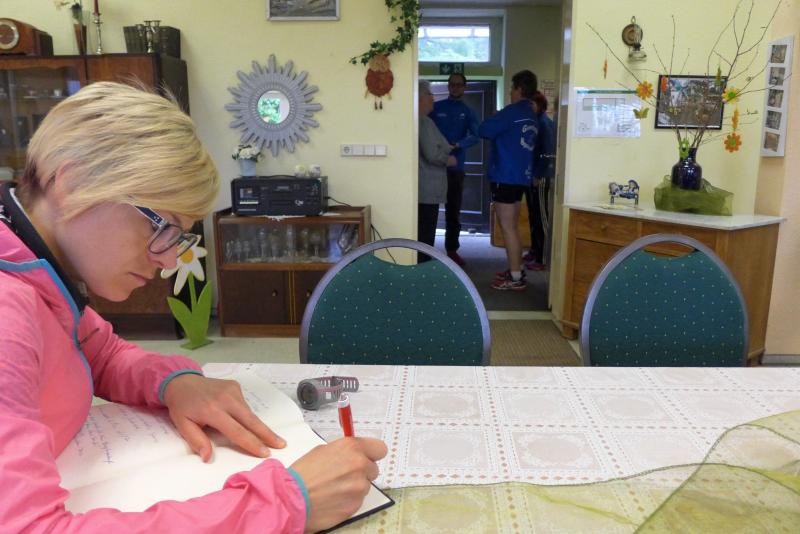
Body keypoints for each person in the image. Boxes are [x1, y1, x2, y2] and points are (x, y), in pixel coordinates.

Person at [0, 82, 387, 533]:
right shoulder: (8, 310)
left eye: (178, 237)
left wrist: (174, 383)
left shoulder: (37, 271)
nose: (169, 261)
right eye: (161, 227)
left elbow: (99, 353)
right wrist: (283, 504)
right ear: (73, 184)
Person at [479, 70, 539, 291]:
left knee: (507, 227)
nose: (510, 92)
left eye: (512, 88)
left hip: (505, 175)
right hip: (521, 176)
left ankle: (515, 278)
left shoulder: (511, 112)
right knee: (512, 225)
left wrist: (495, 117)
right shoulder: (531, 114)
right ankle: (517, 269)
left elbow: (483, 130)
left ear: (519, 89)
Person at [429, 72, 480, 267]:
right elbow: (424, 129)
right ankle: (427, 250)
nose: (455, 87)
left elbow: (476, 135)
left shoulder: (468, 111)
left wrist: (459, 144)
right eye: (452, 84)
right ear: (448, 86)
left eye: (459, 85)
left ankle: (452, 250)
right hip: (434, 166)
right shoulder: (436, 107)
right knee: (429, 209)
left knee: (453, 211)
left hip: (456, 167)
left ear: (464, 87)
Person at [418, 80, 457, 262]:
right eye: (429, 94)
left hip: (425, 187)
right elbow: (432, 154)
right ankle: (423, 271)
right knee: (425, 236)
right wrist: (448, 159)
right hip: (427, 188)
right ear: (419, 97)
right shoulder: (423, 121)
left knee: (424, 234)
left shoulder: (422, 121)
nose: (433, 98)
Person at [524, 91, 556, 271]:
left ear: (540, 105)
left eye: (532, 104)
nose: (529, 107)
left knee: (542, 217)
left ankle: (543, 258)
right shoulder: (536, 122)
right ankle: (535, 250)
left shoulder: (544, 123)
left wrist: (537, 174)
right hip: (533, 176)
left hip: (542, 176)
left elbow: (548, 153)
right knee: (533, 215)